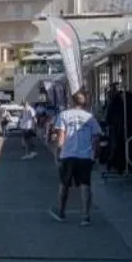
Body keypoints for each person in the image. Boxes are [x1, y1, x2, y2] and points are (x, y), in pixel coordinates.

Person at [50, 90, 100, 225]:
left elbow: (61, 136)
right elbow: (96, 138)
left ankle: (61, 212)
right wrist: (94, 155)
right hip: (85, 155)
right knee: (86, 184)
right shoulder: (90, 117)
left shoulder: (64, 115)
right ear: (84, 103)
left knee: (64, 184)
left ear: (72, 102)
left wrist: (58, 152)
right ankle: (85, 216)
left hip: (68, 154)